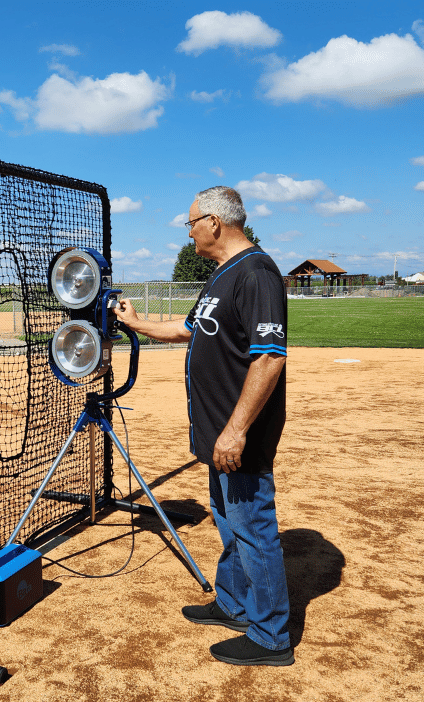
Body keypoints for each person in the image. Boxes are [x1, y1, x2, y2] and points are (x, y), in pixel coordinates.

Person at [113, 186, 293, 666]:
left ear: (214, 222)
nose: (188, 231)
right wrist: (135, 323)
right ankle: (233, 605)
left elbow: (270, 357)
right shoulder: (222, 276)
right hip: (217, 431)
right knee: (228, 520)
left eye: (190, 222)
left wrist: (236, 431)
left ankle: (271, 635)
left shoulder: (256, 273)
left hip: (239, 433)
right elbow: (186, 330)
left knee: (253, 528)